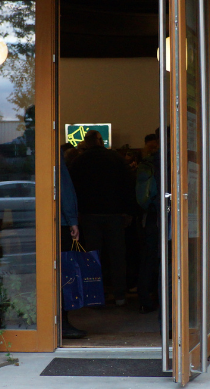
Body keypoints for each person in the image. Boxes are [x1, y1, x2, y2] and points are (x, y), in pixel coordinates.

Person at [69, 130, 137, 305]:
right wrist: (128, 211)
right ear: (100, 141)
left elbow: (73, 189)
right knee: (117, 256)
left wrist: (76, 214)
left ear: (86, 142)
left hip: (89, 215)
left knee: (92, 257)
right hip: (114, 214)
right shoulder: (115, 159)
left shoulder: (79, 161)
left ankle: (95, 296)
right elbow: (128, 185)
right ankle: (120, 295)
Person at [59, 156, 86, 339]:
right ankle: (62, 323)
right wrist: (72, 220)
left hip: (33, 221)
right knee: (64, 273)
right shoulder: (53, 151)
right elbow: (64, 188)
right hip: (58, 222)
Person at [135, 133, 161, 313]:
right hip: (163, 213)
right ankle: (165, 299)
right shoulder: (167, 162)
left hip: (151, 215)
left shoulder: (145, 165)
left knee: (149, 259)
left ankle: (145, 299)